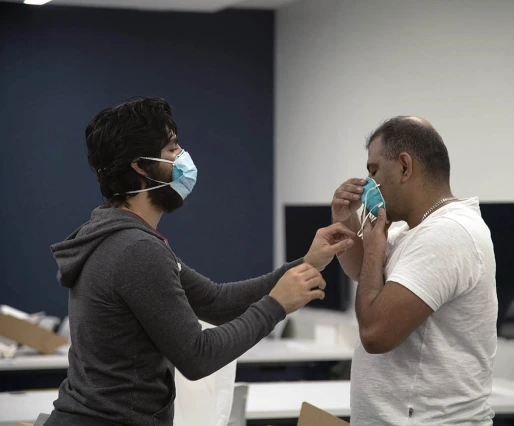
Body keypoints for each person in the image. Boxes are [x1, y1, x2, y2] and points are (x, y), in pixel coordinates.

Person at [45, 97, 355, 426]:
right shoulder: (136, 249)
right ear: (140, 166)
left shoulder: (118, 235)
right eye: (172, 149)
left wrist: (307, 263)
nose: (183, 159)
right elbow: (197, 356)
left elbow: (215, 301)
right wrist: (276, 306)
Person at [332, 116, 497, 425]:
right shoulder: (410, 231)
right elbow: (364, 275)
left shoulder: (448, 234)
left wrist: (373, 249)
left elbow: (374, 333)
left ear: (405, 167)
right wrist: (345, 220)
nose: (369, 184)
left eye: (374, 171)